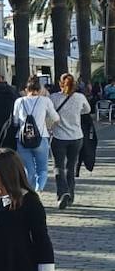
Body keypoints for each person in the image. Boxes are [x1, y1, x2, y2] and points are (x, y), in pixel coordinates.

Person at [50, 72, 93, 209]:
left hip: (58, 137)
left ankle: (62, 193)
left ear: (60, 83)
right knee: (71, 166)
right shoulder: (79, 97)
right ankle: (71, 196)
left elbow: (49, 114)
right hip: (76, 137)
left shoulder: (53, 98)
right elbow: (87, 110)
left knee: (58, 167)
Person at [12, 76, 58, 194]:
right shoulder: (45, 100)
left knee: (28, 169)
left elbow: (15, 121)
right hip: (41, 137)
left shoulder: (19, 101)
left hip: (22, 139)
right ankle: (39, 189)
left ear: (26, 89)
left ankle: (27, 192)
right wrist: (49, 125)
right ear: (40, 89)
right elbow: (56, 118)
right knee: (42, 169)